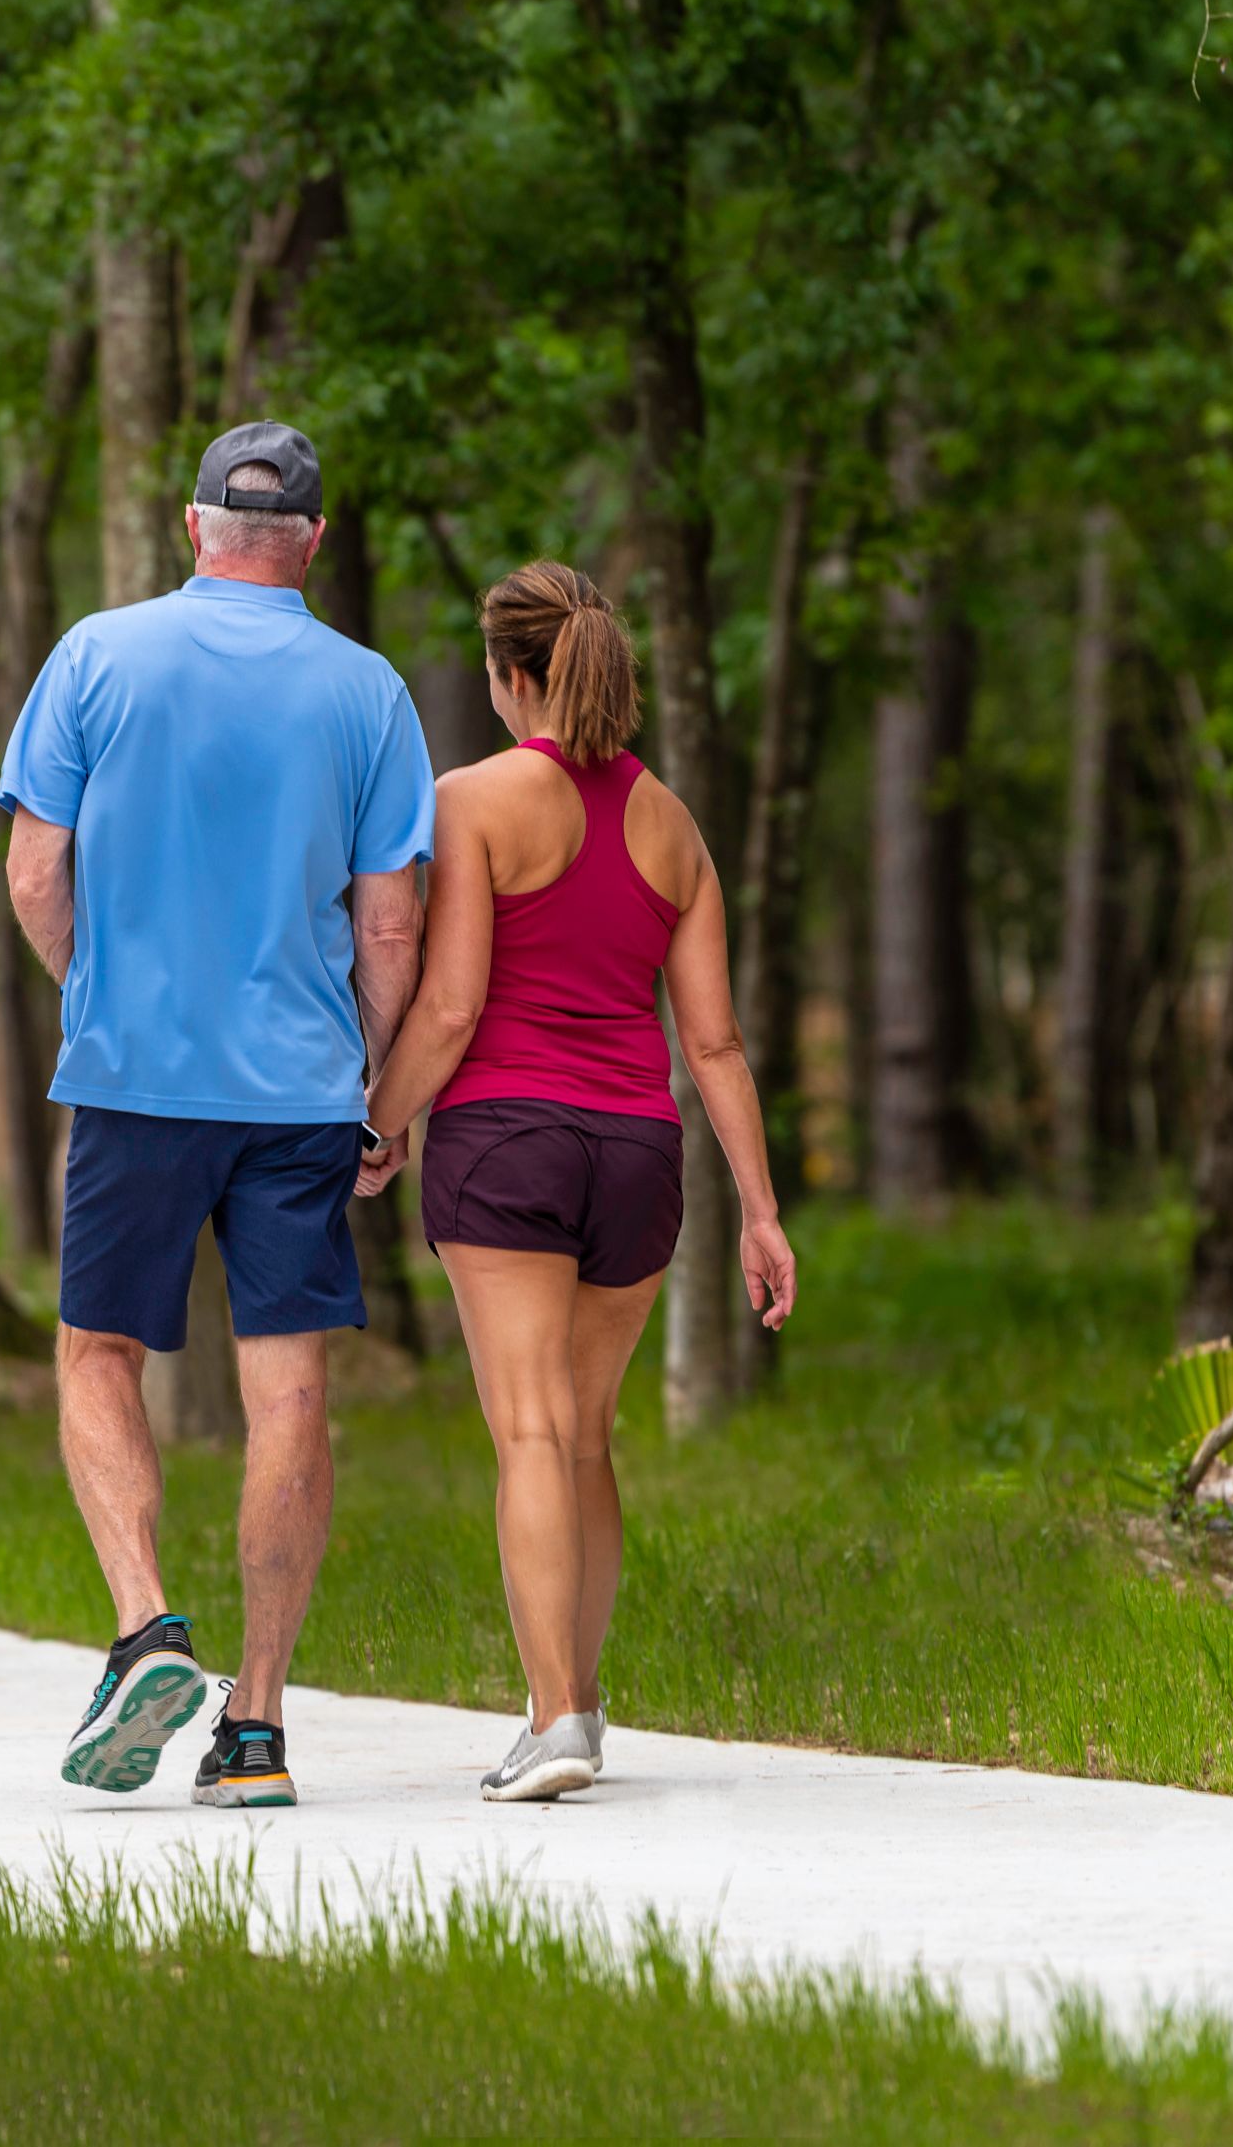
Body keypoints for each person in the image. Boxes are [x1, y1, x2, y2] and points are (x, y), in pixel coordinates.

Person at [0, 422, 434, 1810]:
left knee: (97, 1351)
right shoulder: (368, 692)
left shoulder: (94, 657)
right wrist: (371, 1082)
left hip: (133, 1076)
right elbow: (389, 923)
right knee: (286, 1386)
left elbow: (33, 873)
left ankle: (145, 1626)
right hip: (299, 1092)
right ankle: (254, 1727)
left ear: (193, 528)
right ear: (313, 541)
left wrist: (99, 994)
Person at [359, 560, 797, 1803]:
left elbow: (449, 1008)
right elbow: (714, 1044)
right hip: (637, 1154)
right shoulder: (672, 825)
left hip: (506, 1138)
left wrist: (375, 1124)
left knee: (530, 1431)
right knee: (587, 1437)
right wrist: (760, 1211)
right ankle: (581, 1706)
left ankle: (551, 1716)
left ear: (512, 676)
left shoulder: (470, 799)